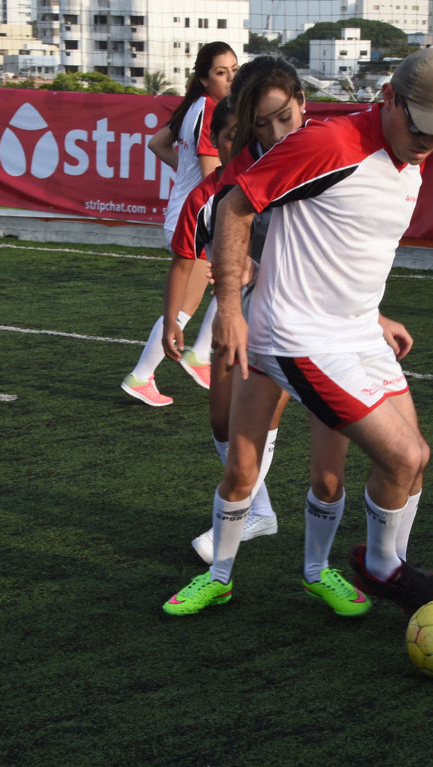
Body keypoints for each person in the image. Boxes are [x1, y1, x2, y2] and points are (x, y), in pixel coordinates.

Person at [162, 47, 433, 617]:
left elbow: (341, 249)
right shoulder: (329, 144)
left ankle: (342, 569)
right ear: (390, 100)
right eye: (423, 125)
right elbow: (233, 207)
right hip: (296, 337)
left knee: (407, 463)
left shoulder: (412, 154)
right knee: (398, 456)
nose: (431, 141)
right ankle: (382, 571)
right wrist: (227, 307)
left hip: (353, 334)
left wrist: (374, 316)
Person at [163, 56, 312, 564]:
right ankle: (259, 511)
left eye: (284, 118)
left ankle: (323, 561)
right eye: (255, 126)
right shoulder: (219, 190)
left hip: (316, 315)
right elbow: (187, 261)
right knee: (224, 423)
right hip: (253, 310)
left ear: (302, 106)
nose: (273, 132)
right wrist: (194, 312)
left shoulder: (324, 151)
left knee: (335, 460)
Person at [121, 41, 238, 406]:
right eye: (222, 72)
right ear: (204, 78)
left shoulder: (194, 107)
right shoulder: (209, 111)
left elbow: (157, 144)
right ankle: (149, 373)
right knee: (190, 305)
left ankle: (191, 357)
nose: (231, 78)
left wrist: (186, 174)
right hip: (197, 220)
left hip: (186, 213)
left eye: (235, 69)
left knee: (234, 278)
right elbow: (211, 176)